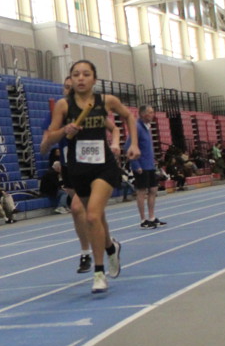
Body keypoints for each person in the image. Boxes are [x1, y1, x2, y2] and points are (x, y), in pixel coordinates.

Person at [45, 60, 138, 294]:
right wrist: (64, 131)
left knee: (92, 216)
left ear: (94, 79)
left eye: (86, 74)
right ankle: (111, 248)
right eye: (76, 74)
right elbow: (50, 138)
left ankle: (99, 273)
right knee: (97, 219)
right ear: (70, 79)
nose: (80, 78)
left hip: (104, 167)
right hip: (78, 169)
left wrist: (132, 143)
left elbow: (128, 117)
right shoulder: (64, 106)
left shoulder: (105, 101)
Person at [127, 105, 166, 229]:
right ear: (143, 114)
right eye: (150, 112)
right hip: (141, 166)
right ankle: (143, 220)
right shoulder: (137, 128)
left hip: (149, 165)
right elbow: (128, 146)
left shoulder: (147, 127)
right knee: (141, 192)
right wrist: (135, 164)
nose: (153, 114)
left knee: (153, 190)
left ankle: (152, 217)